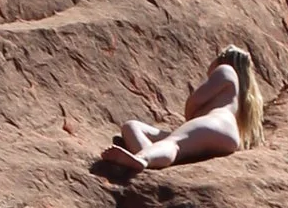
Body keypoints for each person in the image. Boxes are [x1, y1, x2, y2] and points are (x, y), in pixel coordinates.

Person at [95, 44, 266, 178]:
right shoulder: (236, 93)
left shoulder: (226, 70)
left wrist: (191, 116)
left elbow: (193, 102)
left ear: (222, 59)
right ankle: (152, 158)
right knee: (132, 127)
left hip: (215, 123)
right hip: (224, 134)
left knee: (174, 142)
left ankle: (142, 159)